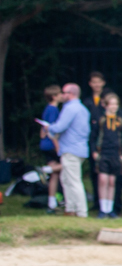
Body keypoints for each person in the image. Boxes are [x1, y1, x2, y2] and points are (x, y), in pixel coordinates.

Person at [46, 83, 90, 217]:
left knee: (74, 180)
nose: (62, 95)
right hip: (79, 148)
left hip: (71, 149)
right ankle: (70, 208)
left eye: (64, 92)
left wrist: (49, 128)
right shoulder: (83, 109)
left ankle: (81, 212)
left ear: (71, 94)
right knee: (66, 179)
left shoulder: (70, 108)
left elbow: (60, 126)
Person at [91, 92, 122, 219]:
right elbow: (93, 137)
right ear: (105, 105)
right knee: (103, 180)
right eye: (111, 104)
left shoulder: (120, 120)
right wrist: (94, 151)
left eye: (116, 104)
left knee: (112, 181)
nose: (114, 106)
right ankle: (102, 209)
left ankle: (110, 209)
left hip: (115, 154)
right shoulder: (100, 120)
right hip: (103, 153)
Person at [39, 84, 63, 214]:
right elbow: (52, 130)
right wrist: (58, 146)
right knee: (67, 165)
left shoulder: (47, 109)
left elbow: (43, 128)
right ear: (54, 96)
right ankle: (44, 170)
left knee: (55, 174)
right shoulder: (54, 110)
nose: (62, 95)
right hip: (51, 145)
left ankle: (51, 203)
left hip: (44, 144)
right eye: (60, 93)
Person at [86, 71, 107, 207]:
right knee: (95, 171)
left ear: (103, 83)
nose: (96, 84)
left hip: (106, 140)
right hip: (92, 139)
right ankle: (97, 201)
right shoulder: (87, 102)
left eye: (99, 81)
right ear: (90, 84)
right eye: (94, 82)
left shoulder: (108, 100)